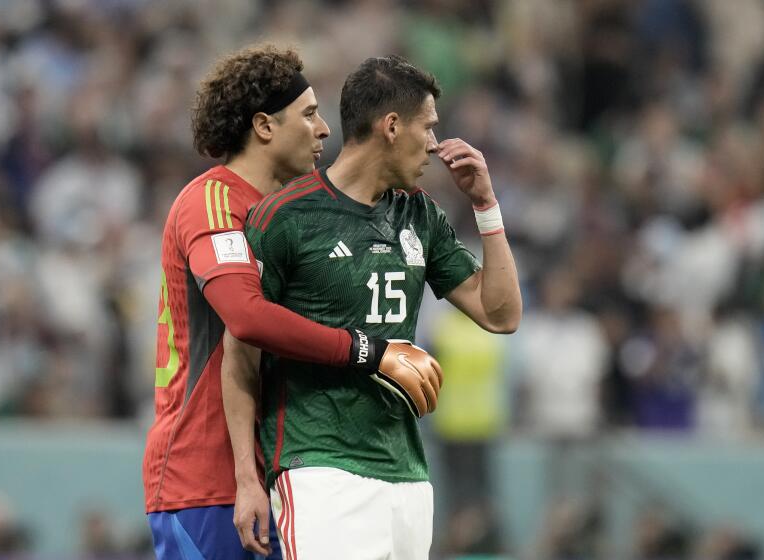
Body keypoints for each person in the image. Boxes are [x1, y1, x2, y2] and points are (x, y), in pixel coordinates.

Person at [142, 45, 442, 560]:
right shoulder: (211, 201)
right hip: (205, 475)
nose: (324, 129)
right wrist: (368, 351)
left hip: (278, 471)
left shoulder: (294, 214)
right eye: (308, 114)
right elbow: (247, 316)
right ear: (263, 126)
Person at [232, 54, 522, 559]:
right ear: (391, 126)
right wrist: (246, 478)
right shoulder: (285, 216)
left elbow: (500, 314)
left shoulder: (419, 214)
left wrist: (486, 205)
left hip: (407, 472)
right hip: (319, 466)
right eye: (427, 127)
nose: (435, 143)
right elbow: (241, 352)